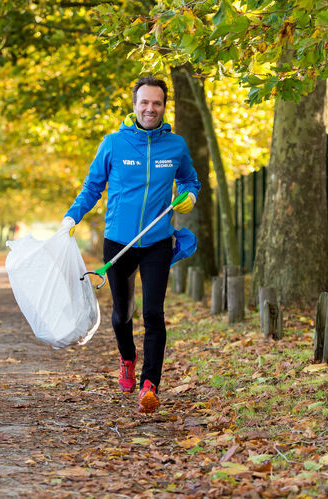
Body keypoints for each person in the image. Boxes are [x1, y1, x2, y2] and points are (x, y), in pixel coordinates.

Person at [61, 76, 201, 413]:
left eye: (157, 103)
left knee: (154, 313)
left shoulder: (176, 146)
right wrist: (71, 217)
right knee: (122, 314)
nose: (150, 108)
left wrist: (190, 196)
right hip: (118, 242)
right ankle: (128, 358)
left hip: (157, 241)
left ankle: (149, 386)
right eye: (145, 102)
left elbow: (189, 180)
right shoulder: (113, 144)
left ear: (164, 107)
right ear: (134, 105)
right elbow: (92, 187)